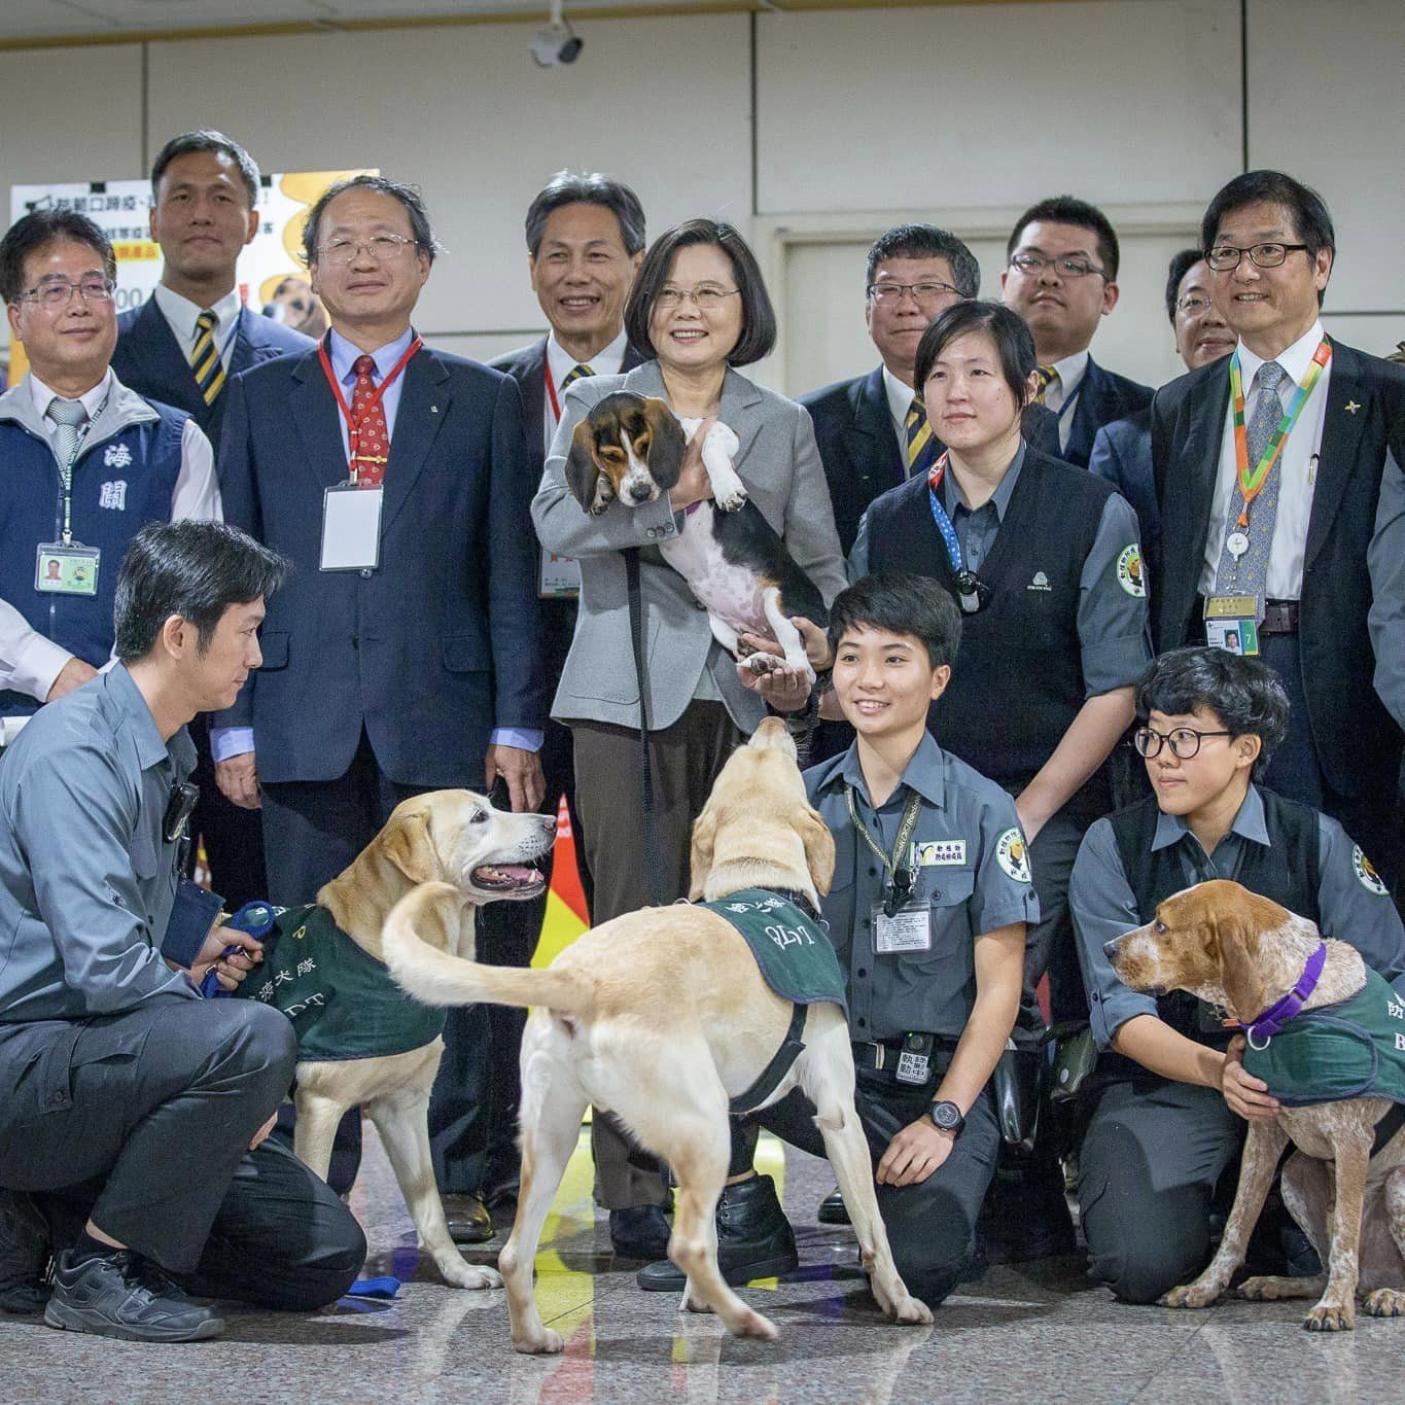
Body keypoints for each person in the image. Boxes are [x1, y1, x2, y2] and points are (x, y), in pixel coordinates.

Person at [213, 175, 545, 1232]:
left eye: (385, 240)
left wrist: (514, 725)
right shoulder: (262, 399)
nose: (363, 258)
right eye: (341, 242)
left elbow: (510, 570)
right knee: (315, 960)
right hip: (299, 721)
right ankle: (314, 1192)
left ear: (424, 264)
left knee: (449, 954)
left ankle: (456, 1173)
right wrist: (230, 720)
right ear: (312, 267)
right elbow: (229, 574)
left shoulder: (484, 399)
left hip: (439, 721)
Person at [532, 217, 846, 1263]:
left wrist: (811, 645)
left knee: (736, 946)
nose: (689, 309)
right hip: (621, 701)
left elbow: (818, 566)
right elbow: (553, 523)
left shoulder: (780, 420)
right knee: (628, 939)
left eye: (712, 291)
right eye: (670, 292)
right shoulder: (600, 403)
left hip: (748, 704)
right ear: (644, 306)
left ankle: (729, 1171)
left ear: (744, 308)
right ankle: (628, 1184)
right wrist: (664, 495)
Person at [0, 520, 365, 1337]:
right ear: (178, 635)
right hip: (24, 1055)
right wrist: (228, 1058)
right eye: (246, 632)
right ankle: (97, 1269)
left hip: (92, 1061)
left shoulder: (164, 744)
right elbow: (104, 966)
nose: (257, 657)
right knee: (252, 1041)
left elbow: (142, 902)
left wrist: (199, 936)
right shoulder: (74, 754)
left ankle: (55, 1220)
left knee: (319, 1256)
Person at [851, 300, 1151, 1257]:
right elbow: (860, 670)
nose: (956, 392)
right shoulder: (892, 518)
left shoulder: (1089, 510)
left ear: (1026, 387)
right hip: (909, 807)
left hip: (1043, 801)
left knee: (1011, 981)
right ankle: (932, 1167)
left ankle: (1024, 1176)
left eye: (980, 372)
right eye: (938, 374)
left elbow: (1115, 689)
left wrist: (1018, 818)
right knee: (915, 980)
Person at [641, 574, 1034, 1301]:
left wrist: (943, 1119)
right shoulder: (793, 796)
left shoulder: (984, 810)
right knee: (678, 1033)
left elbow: (1001, 989)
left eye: (894, 659)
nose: (867, 680)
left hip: (929, 1086)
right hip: (818, 1064)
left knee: (921, 1264)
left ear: (936, 677)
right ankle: (745, 1216)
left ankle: (960, 1195)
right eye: (850, 658)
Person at [428, 171, 645, 1234]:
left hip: (636, 667)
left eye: (598, 252)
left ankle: (641, 1175)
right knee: (497, 922)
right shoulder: (485, 394)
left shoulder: (669, 389)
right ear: (530, 271)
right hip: (508, 675)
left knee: (632, 913)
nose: (576, 274)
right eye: (556, 254)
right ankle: (477, 1165)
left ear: (635, 268)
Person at [1070, 646, 1405, 1305]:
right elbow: (1116, 1009)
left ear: (1245, 747)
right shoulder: (1111, 845)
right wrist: (1217, 1070)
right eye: (1151, 734)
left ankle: (1273, 1222)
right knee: (1138, 1262)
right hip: (1173, 1079)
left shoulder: (1315, 839)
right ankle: (1210, 1206)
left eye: (1185, 736)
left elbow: (1385, 975)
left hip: (1314, 1089)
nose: (1160, 754)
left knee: (1322, 1206)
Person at [1150, 170, 1405, 886]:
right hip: (1212, 663)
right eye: (1225, 254)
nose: (1244, 272)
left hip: (1328, 665)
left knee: (1345, 882)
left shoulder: (1383, 395)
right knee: (1225, 885)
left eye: (1268, 251)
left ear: (1320, 263)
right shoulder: (1180, 405)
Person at [111, 129, 313, 912]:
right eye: (183, 196)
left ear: (253, 221)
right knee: (129, 895)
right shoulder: (106, 352)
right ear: (153, 219)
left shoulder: (299, 357)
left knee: (256, 897)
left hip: (263, 676)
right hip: (133, 669)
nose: (202, 212)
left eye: (222, 196)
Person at [0, 210, 221, 723]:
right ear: (16, 316)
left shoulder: (177, 441)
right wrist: (54, 672)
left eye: (94, 286)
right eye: (54, 291)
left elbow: (193, 594)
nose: (79, 305)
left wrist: (120, 691)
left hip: (137, 728)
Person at [802, 224, 1059, 555]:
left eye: (927, 287)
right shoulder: (813, 420)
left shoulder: (1029, 421)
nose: (906, 305)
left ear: (969, 310)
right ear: (868, 311)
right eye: (889, 289)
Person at [1088, 248, 1236, 560]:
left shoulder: (1294, 423)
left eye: (1230, 300)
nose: (1213, 317)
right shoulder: (1123, 445)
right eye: (1194, 302)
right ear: (1175, 329)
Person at [1001, 196, 1152, 468]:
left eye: (1073, 265)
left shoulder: (1146, 411)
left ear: (1108, 297)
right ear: (1004, 283)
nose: (1049, 277)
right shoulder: (954, 392)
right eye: (1031, 261)